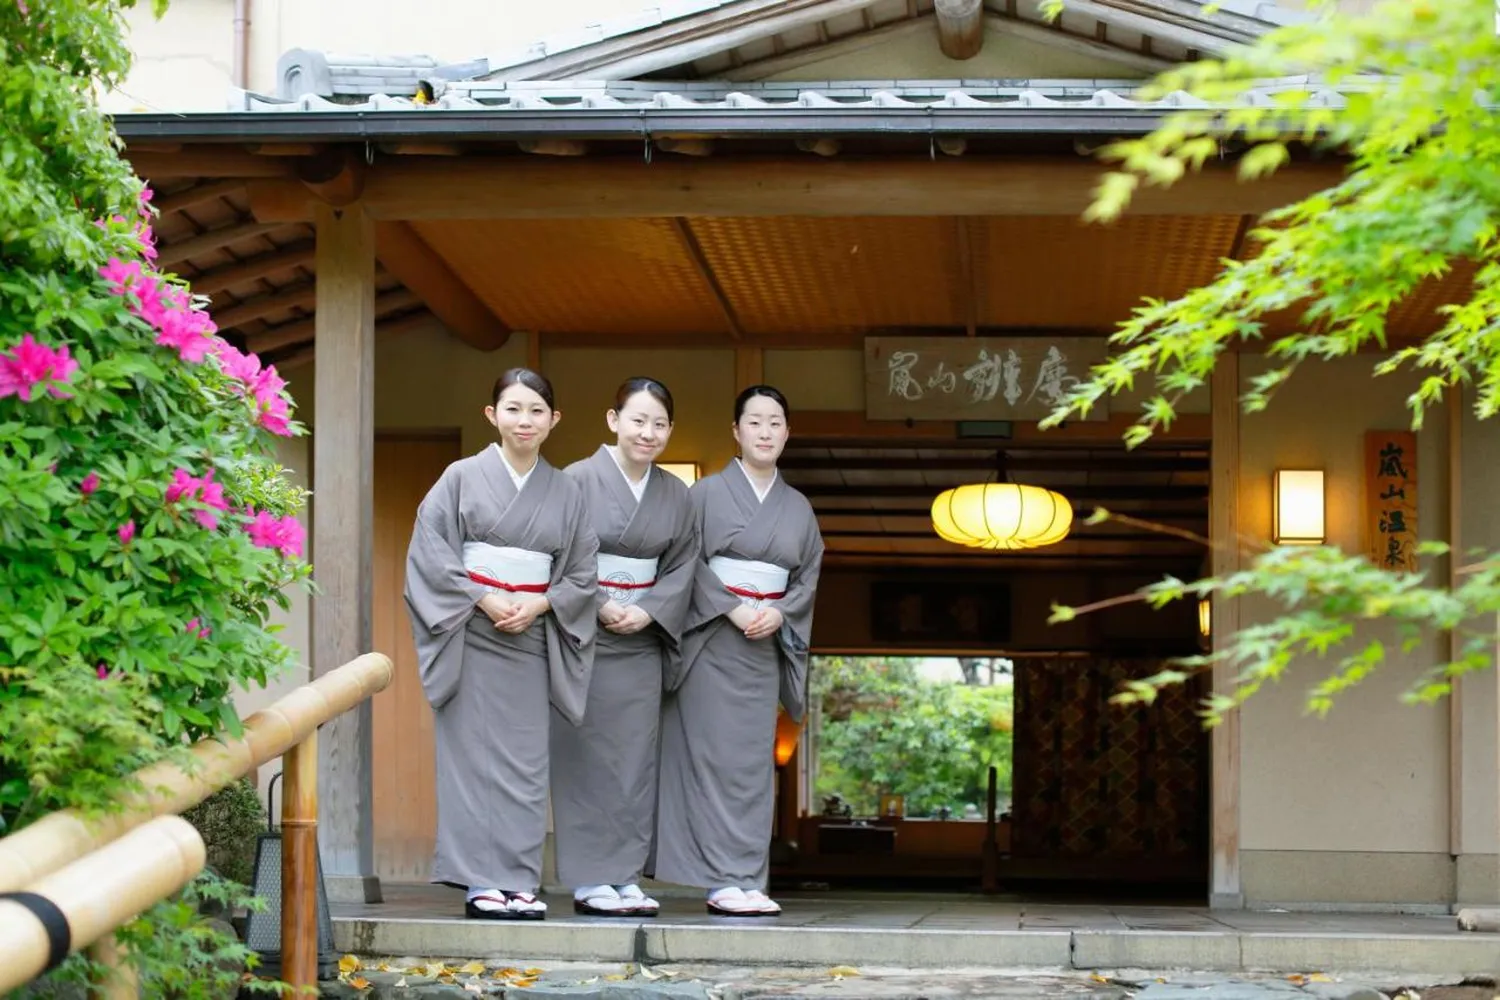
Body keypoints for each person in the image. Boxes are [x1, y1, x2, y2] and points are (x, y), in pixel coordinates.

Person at [403, 368, 598, 921]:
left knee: (526, 764)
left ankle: (518, 879)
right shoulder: (461, 477)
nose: (525, 420)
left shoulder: (567, 491)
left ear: (554, 420)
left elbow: (583, 574)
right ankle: (479, 882)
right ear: (492, 415)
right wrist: (483, 599)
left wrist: (540, 603)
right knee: (470, 761)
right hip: (471, 634)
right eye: (513, 408)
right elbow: (430, 553)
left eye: (537, 410)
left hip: (532, 639)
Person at [653, 384, 825, 917]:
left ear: (788, 433)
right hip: (712, 642)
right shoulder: (702, 496)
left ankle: (749, 877)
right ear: (736, 431)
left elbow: (807, 576)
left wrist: (780, 612)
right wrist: (730, 607)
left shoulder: (798, 508)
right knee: (710, 761)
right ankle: (718, 879)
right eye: (755, 422)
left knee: (753, 766)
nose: (766, 432)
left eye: (776, 422)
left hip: (762, 649)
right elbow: (684, 563)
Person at [552, 377, 699, 917]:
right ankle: (592, 877)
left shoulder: (675, 494)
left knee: (635, 760)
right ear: (613, 421)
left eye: (659, 424)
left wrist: (649, 608)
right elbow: (559, 553)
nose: (648, 432)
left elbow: (683, 564)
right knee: (586, 757)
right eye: (638, 420)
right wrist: (596, 602)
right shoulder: (575, 482)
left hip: (641, 638)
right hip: (587, 637)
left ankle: (624, 874)